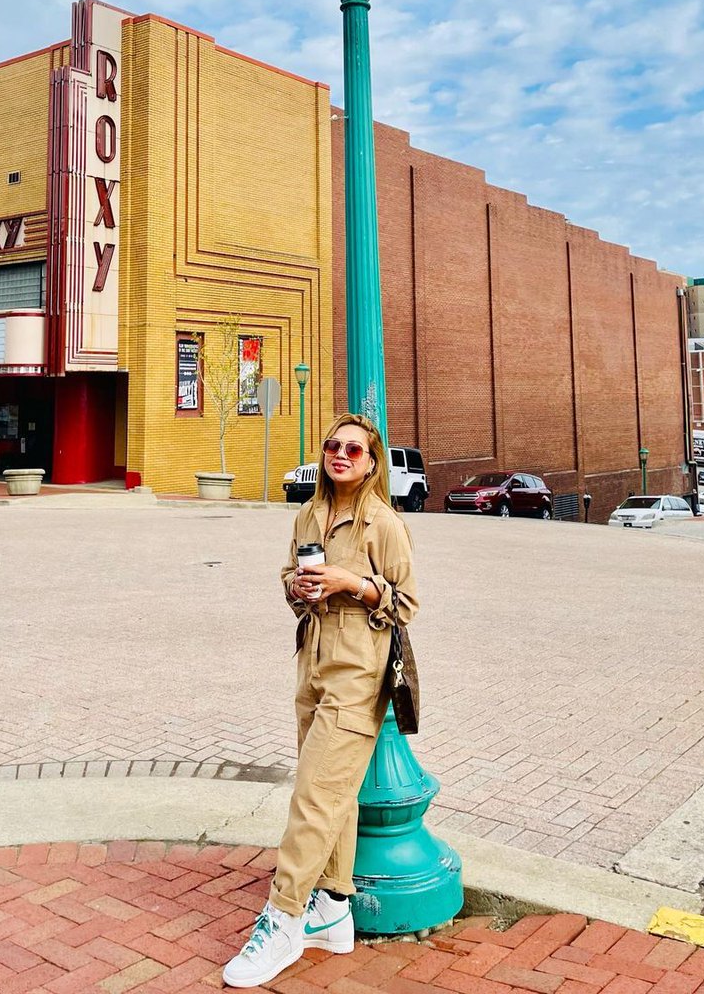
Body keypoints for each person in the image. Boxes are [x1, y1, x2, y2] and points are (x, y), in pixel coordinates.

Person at [223, 412, 418, 988]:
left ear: (371, 462)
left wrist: (350, 583)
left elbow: (405, 603)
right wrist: (298, 587)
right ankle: (333, 909)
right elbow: (289, 573)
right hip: (312, 663)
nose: (340, 456)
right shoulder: (309, 511)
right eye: (333, 447)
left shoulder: (382, 523)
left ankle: (282, 918)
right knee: (334, 795)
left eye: (353, 451)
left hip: (359, 669)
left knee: (314, 795)